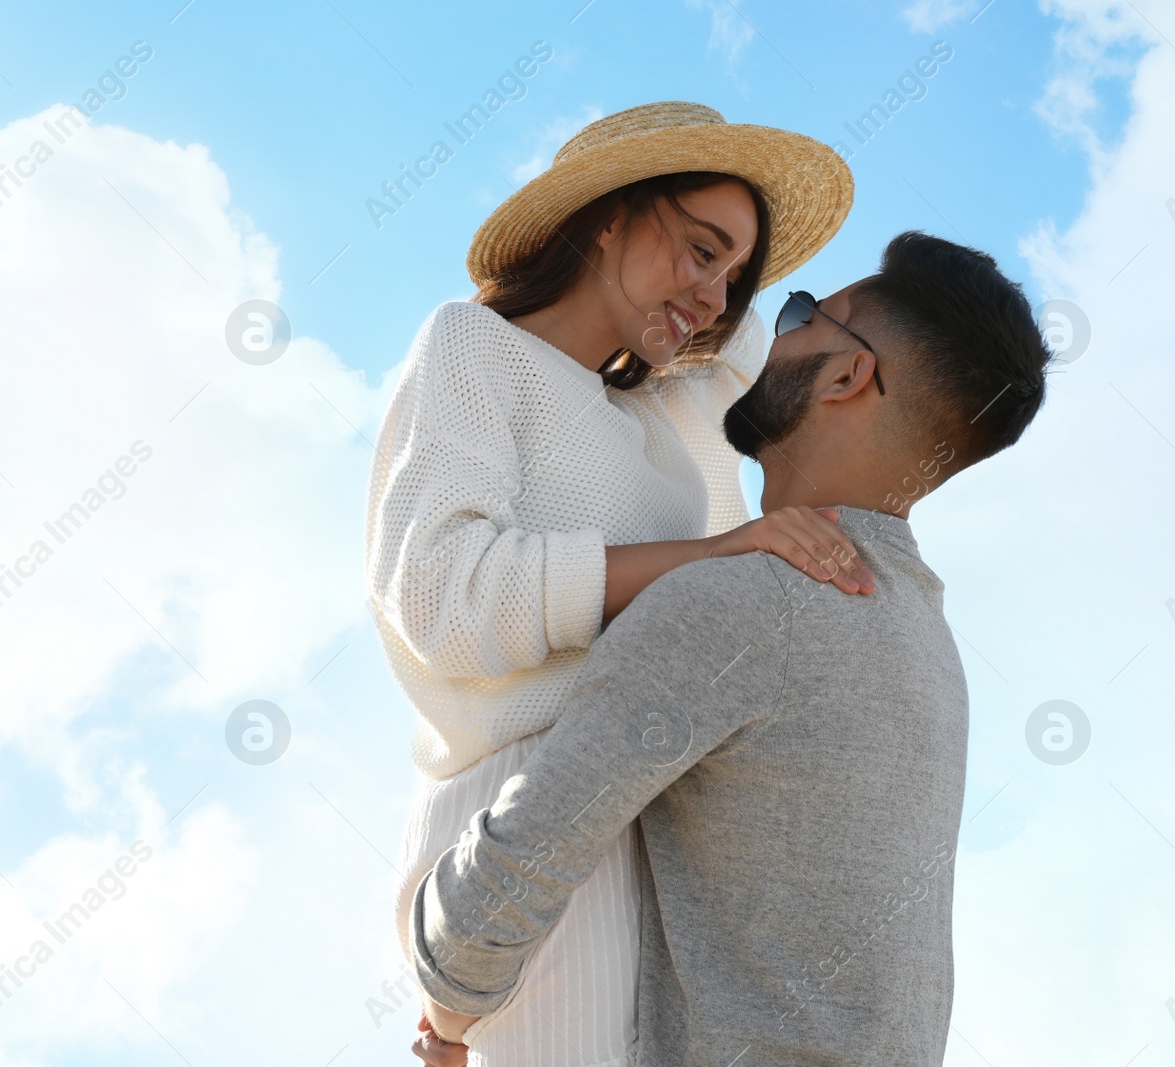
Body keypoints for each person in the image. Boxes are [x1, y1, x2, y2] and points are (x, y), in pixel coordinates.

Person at [409, 231, 1054, 1066]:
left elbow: (522, 859)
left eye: (803, 314)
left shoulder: (743, 601)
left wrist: (445, 1021)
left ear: (847, 374)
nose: (771, 336)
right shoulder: (931, 646)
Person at [364, 101, 869, 1066]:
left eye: (736, 274)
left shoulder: (667, 403)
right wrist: (713, 557)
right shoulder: (475, 348)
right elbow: (439, 593)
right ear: (607, 214)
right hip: (525, 801)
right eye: (698, 247)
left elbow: (790, 349)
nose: (717, 295)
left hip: (660, 810)